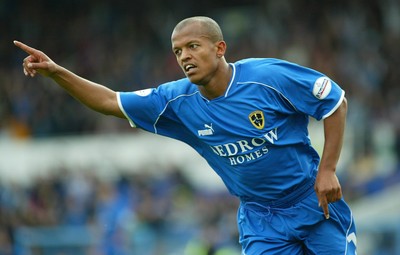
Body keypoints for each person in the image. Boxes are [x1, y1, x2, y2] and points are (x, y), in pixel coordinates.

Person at [14, 16, 356, 255]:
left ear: (220, 48)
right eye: (178, 51)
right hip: (261, 219)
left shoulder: (266, 77)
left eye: (193, 46)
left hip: (314, 203)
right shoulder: (175, 102)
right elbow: (108, 101)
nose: (185, 57)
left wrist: (327, 169)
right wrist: (57, 73)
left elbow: (334, 101)